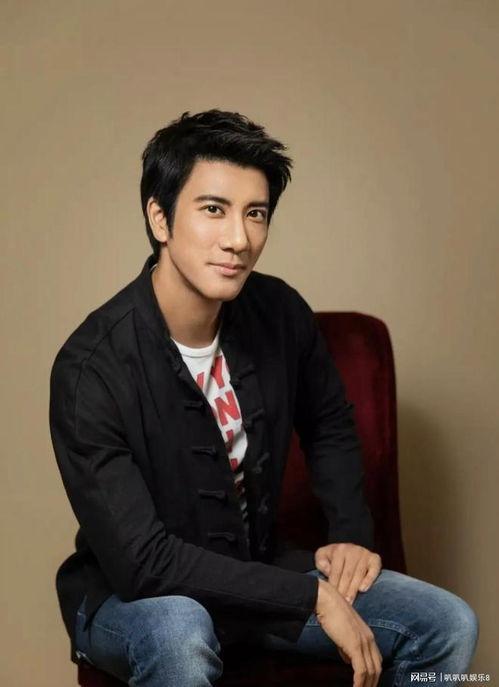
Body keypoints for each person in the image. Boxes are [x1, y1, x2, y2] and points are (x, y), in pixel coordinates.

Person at [49, 109, 479, 687]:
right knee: (179, 630)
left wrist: (350, 533)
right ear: (159, 218)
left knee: (448, 624)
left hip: (256, 571)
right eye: (213, 209)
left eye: (256, 213)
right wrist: (311, 598)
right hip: (129, 598)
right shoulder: (91, 367)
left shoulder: (279, 313)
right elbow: (142, 563)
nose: (239, 239)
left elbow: (329, 420)